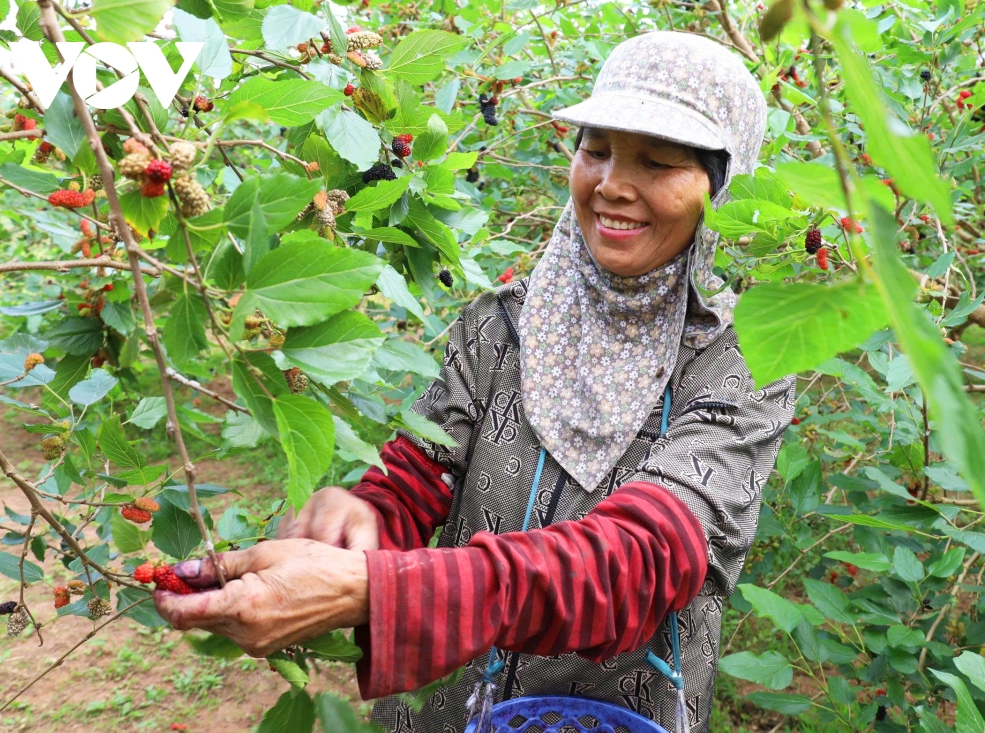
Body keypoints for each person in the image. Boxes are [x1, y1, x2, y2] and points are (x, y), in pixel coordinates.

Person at [155, 31, 796, 733]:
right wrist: (364, 516)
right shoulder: (508, 322)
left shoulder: (742, 361)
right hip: (446, 707)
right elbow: (421, 471)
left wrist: (375, 590)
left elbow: (642, 562)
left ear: (722, 187)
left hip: (611, 714)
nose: (612, 184)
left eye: (659, 161)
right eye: (596, 149)